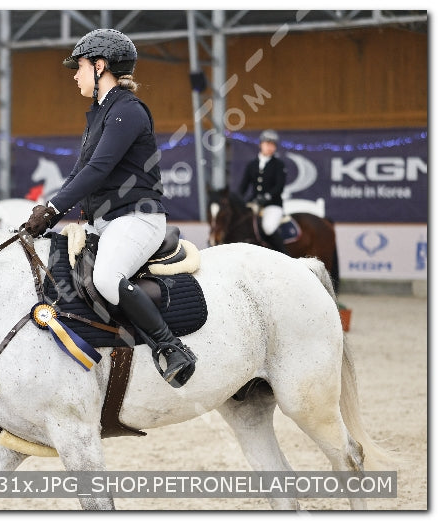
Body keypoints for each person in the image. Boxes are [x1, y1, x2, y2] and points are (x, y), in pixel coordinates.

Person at [21, 28, 195, 388]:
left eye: (80, 66)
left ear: (100, 67)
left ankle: (171, 347)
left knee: (105, 277)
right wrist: (46, 210)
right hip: (103, 221)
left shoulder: (128, 111)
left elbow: (98, 171)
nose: (75, 74)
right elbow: (79, 172)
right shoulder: (100, 113)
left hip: (136, 218)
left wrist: (53, 209)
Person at [237, 129, 287, 253]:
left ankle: (285, 254)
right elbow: (243, 186)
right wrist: (237, 200)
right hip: (254, 204)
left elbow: (279, 186)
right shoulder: (252, 165)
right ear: (261, 144)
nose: (270, 147)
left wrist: (266, 197)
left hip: (272, 205)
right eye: (267, 144)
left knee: (268, 228)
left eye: (273, 145)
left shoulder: (279, 165)